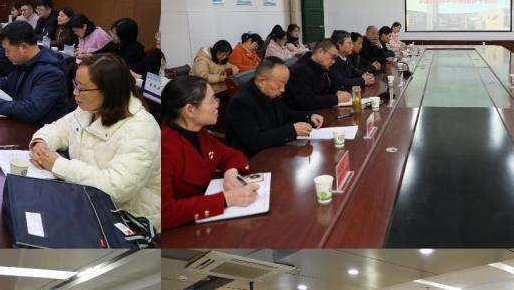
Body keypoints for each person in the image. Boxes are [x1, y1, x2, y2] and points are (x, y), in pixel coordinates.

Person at [29, 53, 160, 229]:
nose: (75, 93)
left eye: (82, 88)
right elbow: (60, 129)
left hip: (129, 219)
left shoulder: (141, 127)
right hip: (87, 201)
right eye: (75, 84)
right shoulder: (90, 108)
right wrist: (41, 143)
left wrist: (57, 165)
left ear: (109, 90)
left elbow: (117, 188)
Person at [160, 76, 258, 228]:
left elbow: (231, 155)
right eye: (212, 100)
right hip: (182, 229)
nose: (217, 104)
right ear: (190, 110)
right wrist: (226, 199)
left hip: (206, 218)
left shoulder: (198, 132)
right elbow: (165, 213)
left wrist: (230, 172)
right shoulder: (164, 148)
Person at [0, 20, 74, 126]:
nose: (6, 55)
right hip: (21, 124)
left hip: (38, 131)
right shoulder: (25, 61)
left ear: (23, 47)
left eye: (8, 50)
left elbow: (31, 110)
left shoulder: (51, 73)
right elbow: (8, 82)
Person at [224, 57, 324, 157]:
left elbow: (285, 114)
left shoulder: (269, 93)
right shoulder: (240, 103)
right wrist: (292, 130)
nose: (283, 90)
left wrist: (309, 116)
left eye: (284, 84)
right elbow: (254, 141)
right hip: (252, 159)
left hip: (273, 150)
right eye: (280, 84)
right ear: (262, 81)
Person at [283, 39, 351, 112]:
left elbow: (329, 86)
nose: (333, 61)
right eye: (333, 57)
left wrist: (337, 92)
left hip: (322, 111)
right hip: (303, 114)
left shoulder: (322, 65)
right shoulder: (300, 70)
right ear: (321, 52)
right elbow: (308, 101)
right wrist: (336, 99)